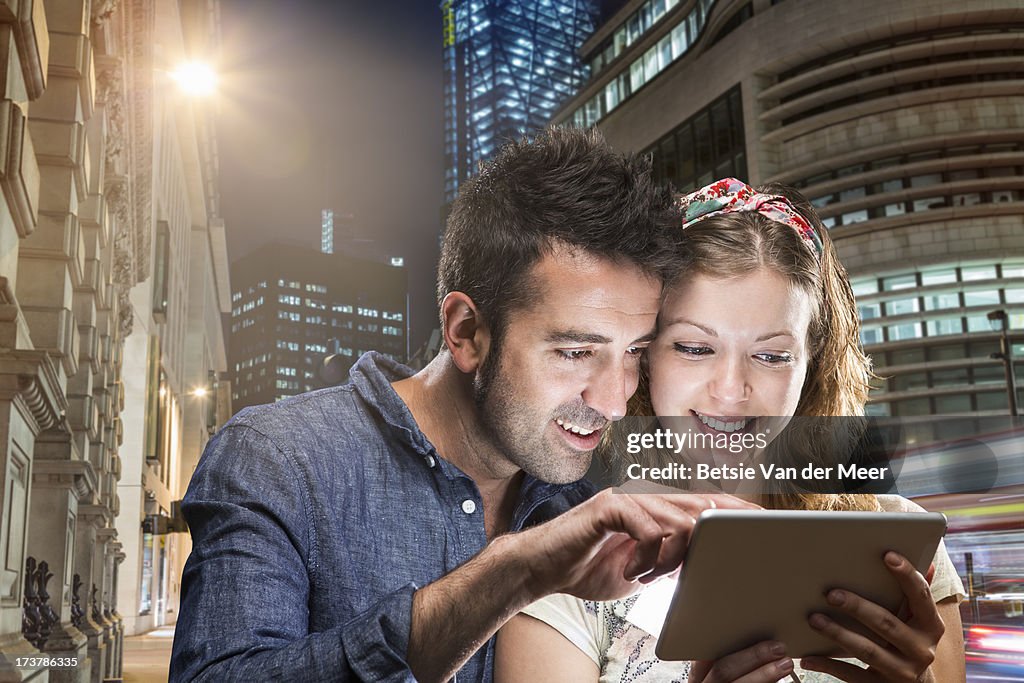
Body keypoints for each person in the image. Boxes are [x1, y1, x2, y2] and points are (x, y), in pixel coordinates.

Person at [169, 130, 758, 683]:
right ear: (467, 331)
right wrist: (513, 575)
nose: (612, 398)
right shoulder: (279, 459)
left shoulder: (596, 502)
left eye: (633, 354)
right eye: (576, 352)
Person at [495, 178, 967, 683]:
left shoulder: (895, 540)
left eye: (771, 356)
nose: (730, 392)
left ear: (814, 365)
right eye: (694, 348)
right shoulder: (567, 557)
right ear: (645, 354)